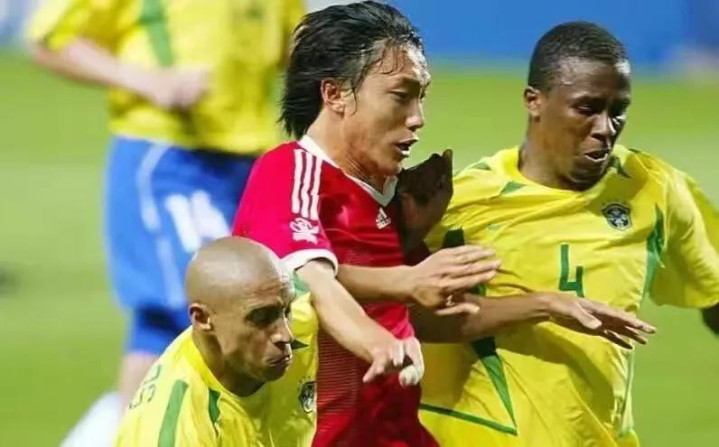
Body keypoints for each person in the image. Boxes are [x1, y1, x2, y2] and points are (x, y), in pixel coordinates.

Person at [416, 21, 719, 447]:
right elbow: (395, 314)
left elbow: (712, 290)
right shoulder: (459, 203)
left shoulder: (653, 189)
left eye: (618, 110)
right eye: (587, 108)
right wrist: (541, 306)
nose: (605, 127)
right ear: (534, 101)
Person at [26, 0, 304, 444]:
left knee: (164, 328)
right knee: (223, 312)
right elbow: (49, 40)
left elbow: (295, 47)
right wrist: (149, 81)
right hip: (170, 157)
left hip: (251, 164)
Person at [115, 236, 317, 446]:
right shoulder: (179, 429)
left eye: (286, 310)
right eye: (260, 318)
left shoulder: (300, 308)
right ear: (203, 319)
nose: (286, 335)